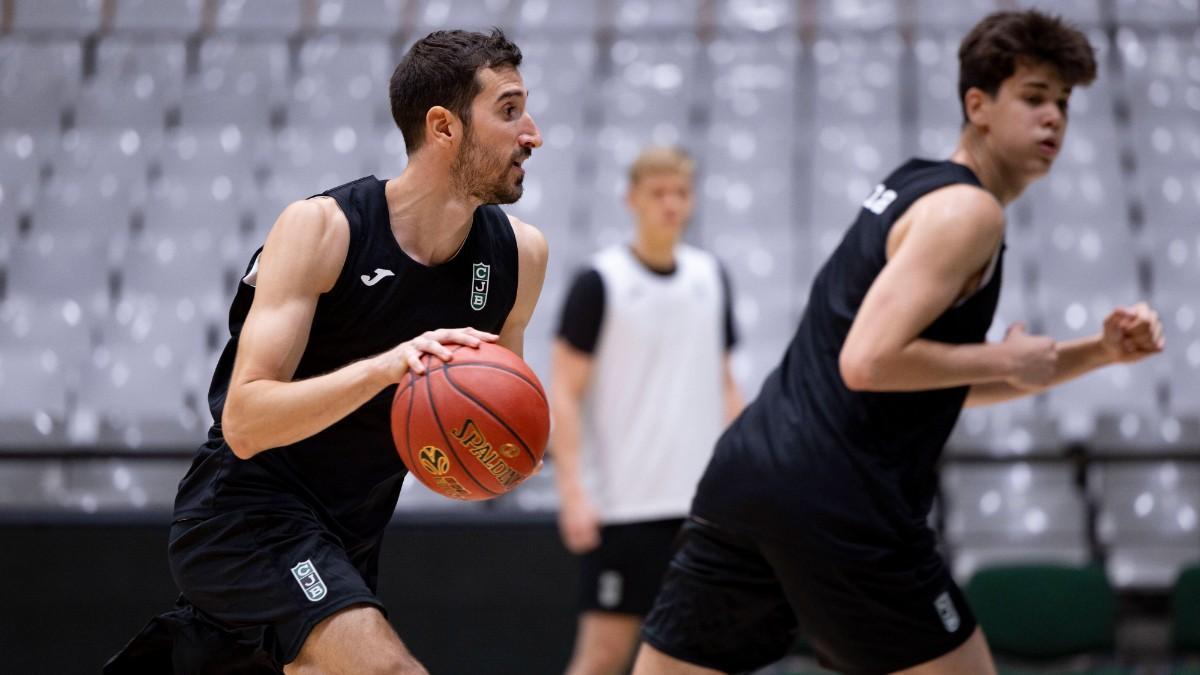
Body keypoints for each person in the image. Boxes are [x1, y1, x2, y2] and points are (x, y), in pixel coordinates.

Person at [631, 10, 1165, 675]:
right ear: (979, 105)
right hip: (840, 497)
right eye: (1033, 97)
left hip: (750, 475)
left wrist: (1099, 351)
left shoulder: (915, 181)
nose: (1053, 117)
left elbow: (927, 379)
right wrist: (1005, 354)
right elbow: (869, 360)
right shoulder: (969, 211)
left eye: (1062, 102)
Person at [105, 28, 546, 674]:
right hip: (247, 514)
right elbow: (246, 422)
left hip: (350, 537)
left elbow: (496, 436)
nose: (532, 132)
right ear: (443, 127)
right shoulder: (322, 230)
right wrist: (392, 365)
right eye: (508, 110)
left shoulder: (518, 258)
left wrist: (510, 454)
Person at [550, 146, 744, 675]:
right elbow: (562, 390)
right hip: (622, 507)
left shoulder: (710, 276)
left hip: (700, 507)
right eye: (658, 193)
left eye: (680, 193)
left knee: (701, 658)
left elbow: (727, 384)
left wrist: (742, 478)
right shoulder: (600, 281)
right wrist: (572, 493)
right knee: (603, 656)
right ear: (631, 199)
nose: (670, 204)